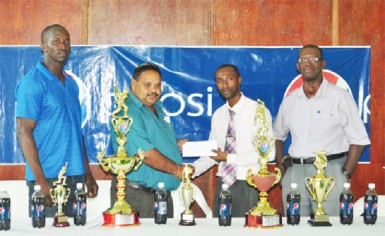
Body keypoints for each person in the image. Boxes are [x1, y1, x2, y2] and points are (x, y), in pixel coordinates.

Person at [273, 44, 370, 217]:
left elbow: (359, 140)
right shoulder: (290, 100)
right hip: (295, 171)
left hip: (330, 171)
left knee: (330, 227)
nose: (308, 63)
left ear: (323, 63)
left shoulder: (340, 97)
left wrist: (345, 173)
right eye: (303, 60)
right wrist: (283, 171)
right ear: (298, 66)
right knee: (294, 227)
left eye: (314, 59)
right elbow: (277, 136)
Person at [15, 24, 99, 217]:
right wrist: (40, 180)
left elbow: (77, 133)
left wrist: (87, 173)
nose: (63, 46)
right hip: (48, 177)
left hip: (76, 175)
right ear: (43, 46)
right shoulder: (32, 83)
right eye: (56, 42)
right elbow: (23, 131)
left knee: (76, 231)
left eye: (66, 41)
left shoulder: (71, 85)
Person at [190, 64, 275, 217]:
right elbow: (212, 154)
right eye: (220, 80)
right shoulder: (219, 115)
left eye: (229, 79)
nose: (225, 85)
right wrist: (192, 170)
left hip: (250, 183)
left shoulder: (258, 111)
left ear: (239, 80)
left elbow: (268, 154)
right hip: (224, 184)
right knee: (221, 229)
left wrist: (228, 158)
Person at [109, 62, 186, 218]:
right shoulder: (127, 112)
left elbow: (155, 140)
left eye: (157, 85)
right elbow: (146, 154)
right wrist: (178, 171)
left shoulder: (157, 107)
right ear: (133, 83)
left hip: (160, 195)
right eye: (147, 84)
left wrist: (175, 145)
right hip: (137, 196)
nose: (154, 90)